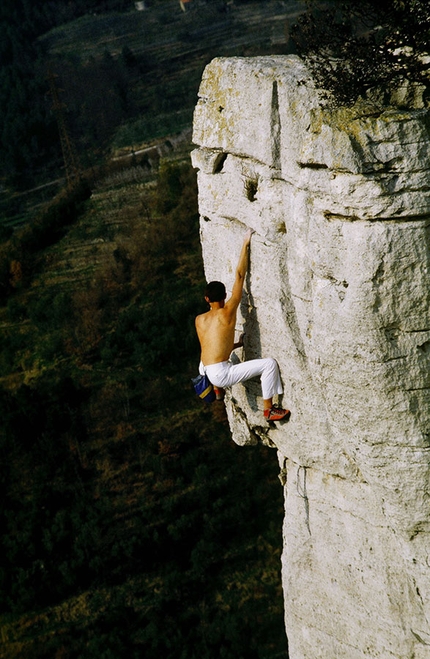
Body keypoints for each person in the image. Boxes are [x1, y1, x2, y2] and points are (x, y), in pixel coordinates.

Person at [195, 228, 290, 422]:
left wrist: (237, 345)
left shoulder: (199, 319)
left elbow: (212, 345)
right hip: (220, 373)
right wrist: (245, 243)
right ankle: (269, 410)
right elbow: (239, 276)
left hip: (204, 369)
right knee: (269, 365)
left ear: (206, 298)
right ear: (224, 297)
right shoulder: (228, 311)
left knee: (211, 355)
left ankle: (216, 388)